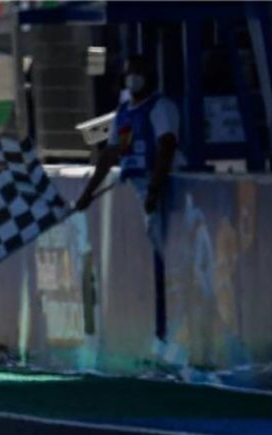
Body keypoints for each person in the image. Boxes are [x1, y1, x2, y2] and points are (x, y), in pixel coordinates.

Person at [74, 54, 185, 345]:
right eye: (129, 73)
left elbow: (167, 146)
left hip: (160, 189)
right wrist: (88, 193)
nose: (133, 78)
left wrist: (155, 188)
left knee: (166, 258)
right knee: (152, 257)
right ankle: (159, 331)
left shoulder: (160, 107)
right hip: (139, 188)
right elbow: (111, 153)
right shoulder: (124, 113)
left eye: (139, 72)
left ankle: (168, 332)